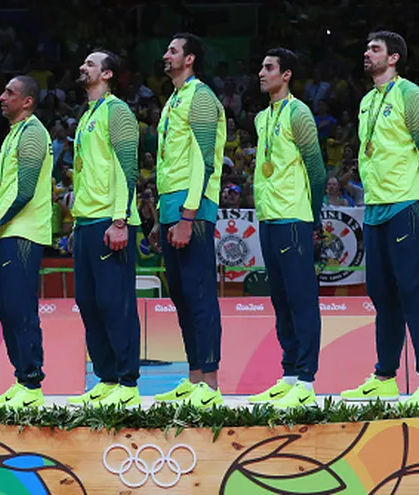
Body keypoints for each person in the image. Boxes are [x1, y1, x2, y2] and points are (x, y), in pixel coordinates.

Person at [340, 31, 419, 407]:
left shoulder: (411, 95)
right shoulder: (367, 101)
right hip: (375, 209)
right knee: (382, 296)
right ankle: (385, 375)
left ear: (394, 57)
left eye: (375, 49)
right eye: (366, 47)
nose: (366, 53)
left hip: (406, 206)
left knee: (415, 294)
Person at [149, 33, 226, 409]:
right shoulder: (174, 100)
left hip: (191, 208)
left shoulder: (201, 97)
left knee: (199, 295)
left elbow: (203, 160)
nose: (166, 55)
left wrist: (187, 215)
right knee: (180, 296)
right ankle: (194, 378)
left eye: (173, 50)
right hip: (172, 206)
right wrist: (161, 218)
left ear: (190, 59)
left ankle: (210, 384)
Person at [247, 48, 326, 409]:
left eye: (269, 68)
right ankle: (290, 375)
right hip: (268, 218)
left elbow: (317, 171)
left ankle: (307, 380)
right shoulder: (263, 118)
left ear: (287, 74)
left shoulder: (299, 113)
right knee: (280, 301)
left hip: (295, 218)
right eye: (262, 68)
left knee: (301, 300)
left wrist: (314, 218)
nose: (261, 73)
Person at [64, 49, 142, 408]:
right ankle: (106, 378)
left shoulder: (118, 111)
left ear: (107, 74)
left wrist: (120, 219)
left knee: (115, 303)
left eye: (91, 64)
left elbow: (127, 168)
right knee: (89, 304)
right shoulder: (86, 116)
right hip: (85, 222)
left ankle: (127, 382)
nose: (83, 67)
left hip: (111, 222)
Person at [0, 75, 52, 409]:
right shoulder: (13, 134)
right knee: (7, 308)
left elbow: (24, 190)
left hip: (25, 232)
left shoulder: (33, 132)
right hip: (8, 232)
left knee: (19, 308)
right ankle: (23, 380)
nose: (1, 97)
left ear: (27, 101)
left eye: (10, 93)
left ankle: (32, 384)